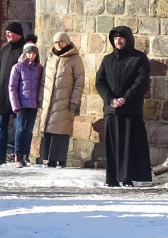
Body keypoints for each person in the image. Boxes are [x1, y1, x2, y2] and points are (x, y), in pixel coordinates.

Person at [95, 26, 152, 187]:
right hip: (112, 110)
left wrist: (125, 99)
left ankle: (127, 178)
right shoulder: (107, 60)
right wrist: (110, 99)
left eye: (121, 38)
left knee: (129, 145)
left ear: (127, 39)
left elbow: (141, 82)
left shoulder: (138, 58)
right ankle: (111, 178)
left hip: (130, 110)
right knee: (112, 146)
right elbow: (100, 81)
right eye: (115, 39)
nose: (118, 41)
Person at [37, 32, 85, 168]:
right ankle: (49, 159)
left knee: (61, 130)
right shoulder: (51, 58)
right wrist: (41, 98)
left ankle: (60, 159)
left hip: (64, 100)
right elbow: (43, 80)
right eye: (56, 42)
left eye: (61, 41)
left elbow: (79, 81)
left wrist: (74, 100)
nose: (58, 44)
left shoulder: (75, 59)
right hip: (49, 100)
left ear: (67, 42)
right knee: (49, 130)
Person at [0, 21, 26, 165]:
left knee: (19, 127)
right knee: (1, 126)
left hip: (17, 95)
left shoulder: (25, 50)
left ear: (18, 34)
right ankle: (0, 156)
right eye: (6, 33)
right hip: (2, 94)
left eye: (9, 32)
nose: (7, 35)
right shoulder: (5, 49)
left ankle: (18, 156)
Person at [8, 42, 43, 168]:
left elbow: (41, 85)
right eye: (29, 53)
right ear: (24, 53)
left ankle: (25, 156)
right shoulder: (17, 67)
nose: (31, 55)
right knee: (20, 130)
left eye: (34, 53)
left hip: (32, 104)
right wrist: (15, 104)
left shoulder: (39, 68)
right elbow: (12, 87)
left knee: (29, 130)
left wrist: (40, 101)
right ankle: (17, 155)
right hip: (21, 104)